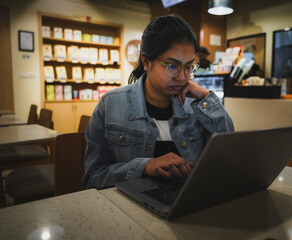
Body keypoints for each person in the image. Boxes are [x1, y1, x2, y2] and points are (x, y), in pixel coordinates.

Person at [83, 15, 234, 189]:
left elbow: (227, 156)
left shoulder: (196, 105)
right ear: (147, 62)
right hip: (130, 209)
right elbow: (93, 178)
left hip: (188, 202)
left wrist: (207, 98)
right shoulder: (110, 105)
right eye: (172, 66)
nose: (183, 77)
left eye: (188, 67)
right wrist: (144, 166)